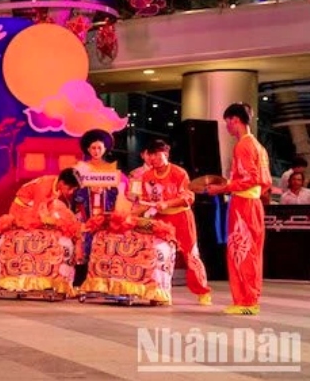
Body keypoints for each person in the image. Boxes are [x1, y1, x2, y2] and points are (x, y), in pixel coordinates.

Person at [131, 139, 212, 305]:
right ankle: (159, 293)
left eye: (156, 154)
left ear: (165, 154)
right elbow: (144, 200)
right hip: (160, 219)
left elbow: (188, 197)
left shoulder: (178, 172)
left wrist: (167, 203)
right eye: (150, 154)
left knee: (191, 255)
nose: (153, 158)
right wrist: (132, 213)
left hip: (181, 217)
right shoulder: (146, 176)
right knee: (157, 254)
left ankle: (202, 291)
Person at [206, 102, 268, 315]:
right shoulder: (258, 146)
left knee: (241, 252)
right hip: (253, 204)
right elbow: (264, 182)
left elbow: (249, 179)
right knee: (249, 252)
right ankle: (248, 299)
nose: (227, 127)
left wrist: (222, 188)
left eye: (227, 122)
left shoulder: (243, 145)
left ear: (235, 119)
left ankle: (247, 302)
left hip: (244, 205)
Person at [72, 129, 127, 221]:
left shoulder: (111, 169)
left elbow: (118, 192)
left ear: (105, 149)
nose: (96, 151)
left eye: (99, 148)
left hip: (105, 213)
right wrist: (88, 190)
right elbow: (74, 191)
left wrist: (105, 190)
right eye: (93, 148)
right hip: (85, 214)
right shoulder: (80, 168)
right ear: (88, 149)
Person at [9, 169, 80, 224]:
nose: (71, 192)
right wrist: (53, 221)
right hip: (20, 211)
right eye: (70, 188)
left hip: (33, 209)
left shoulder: (57, 185)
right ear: (62, 182)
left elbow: (50, 205)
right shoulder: (44, 187)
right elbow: (37, 213)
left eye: (73, 189)